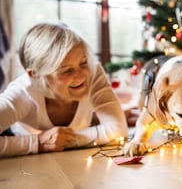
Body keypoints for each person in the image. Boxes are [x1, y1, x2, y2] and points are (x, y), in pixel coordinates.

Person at [0, 22, 128, 158]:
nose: (81, 75)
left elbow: (118, 130)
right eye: (66, 70)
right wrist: (36, 143)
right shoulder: (22, 92)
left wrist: (63, 141)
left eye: (83, 62)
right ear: (35, 75)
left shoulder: (93, 72)